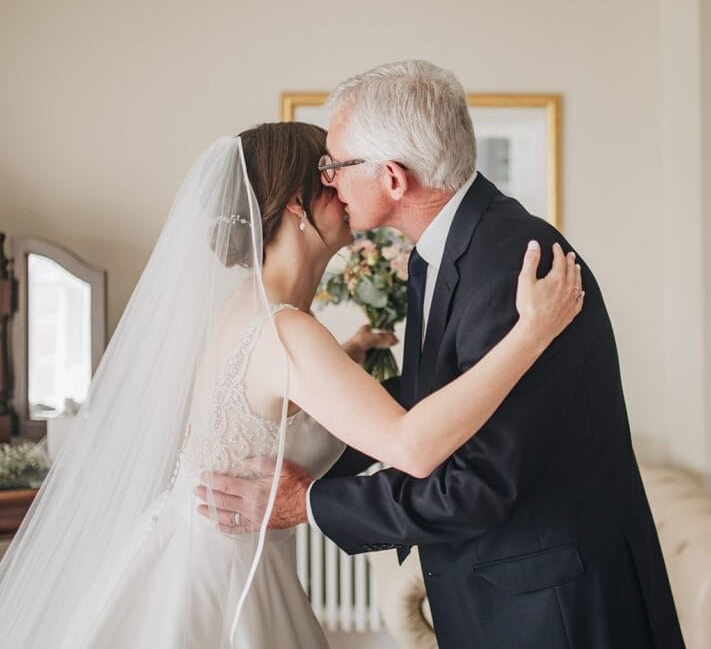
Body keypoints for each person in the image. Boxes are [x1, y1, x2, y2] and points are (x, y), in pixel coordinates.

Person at [0, 121, 583, 649]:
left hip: (206, 555)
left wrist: (348, 357)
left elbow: (270, 407)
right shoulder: (286, 332)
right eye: (332, 176)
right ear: (299, 204)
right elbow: (410, 446)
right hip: (225, 582)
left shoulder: (249, 309)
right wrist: (530, 335)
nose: (347, 188)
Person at [203, 61, 686, 648]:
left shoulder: (511, 265)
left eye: (336, 165)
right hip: (509, 591)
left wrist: (310, 502)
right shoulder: (448, 251)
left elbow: (473, 483)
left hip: (554, 605)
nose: (329, 179)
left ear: (392, 178)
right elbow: (434, 402)